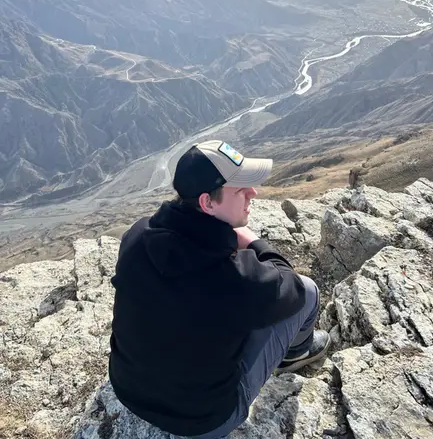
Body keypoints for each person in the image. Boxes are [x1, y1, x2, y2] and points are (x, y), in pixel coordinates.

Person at [109, 140, 330, 438]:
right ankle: (295, 355)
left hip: (128, 390)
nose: (253, 193)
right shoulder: (234, 277)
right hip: (203, 421)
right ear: (207, 203)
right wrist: (252, 241)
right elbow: (292, 288)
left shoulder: (136, 235)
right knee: (310, 290)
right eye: (241, 189)